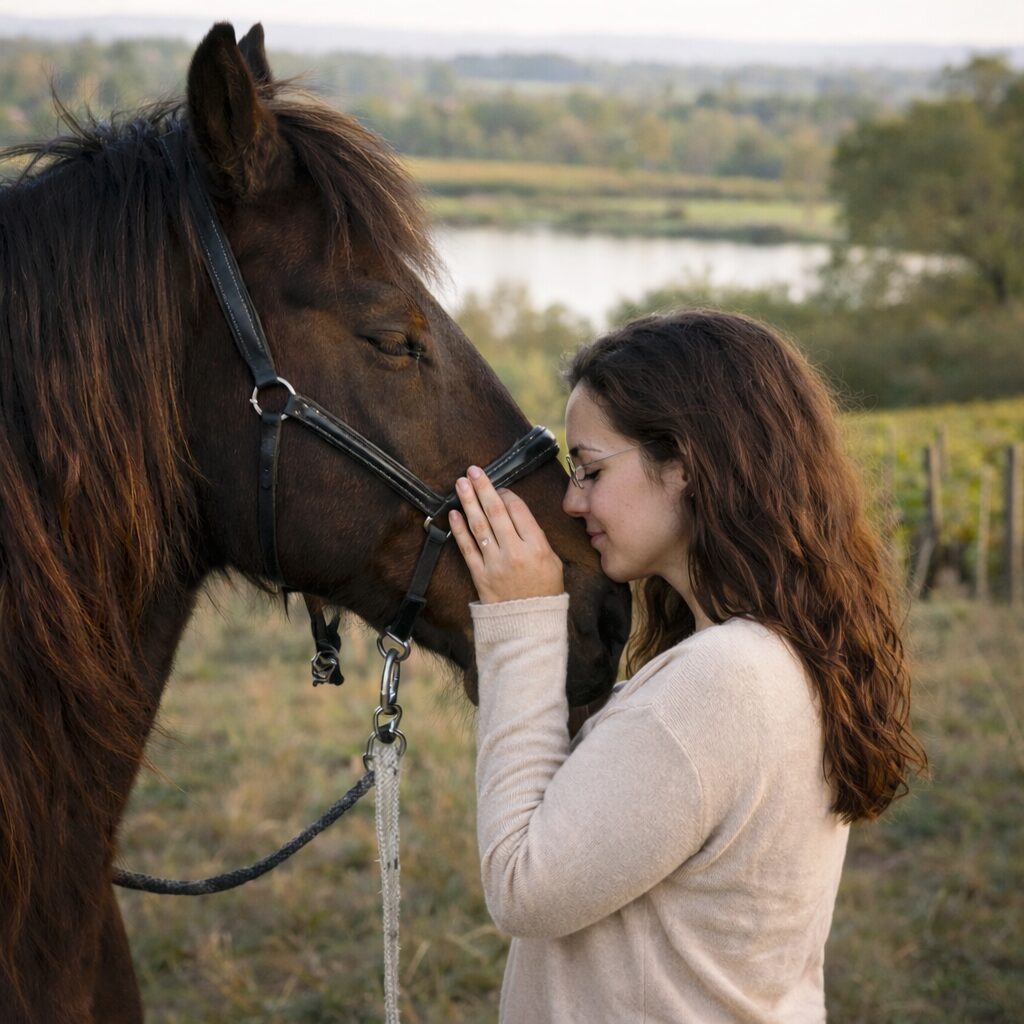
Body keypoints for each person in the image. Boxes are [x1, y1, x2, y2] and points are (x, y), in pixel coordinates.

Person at [447, 308, 927, 1024]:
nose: (574, 501)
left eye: (591, 469)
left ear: (684, 464)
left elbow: (523, 887)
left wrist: (520, 624)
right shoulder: (774, 651)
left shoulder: (721, 682)